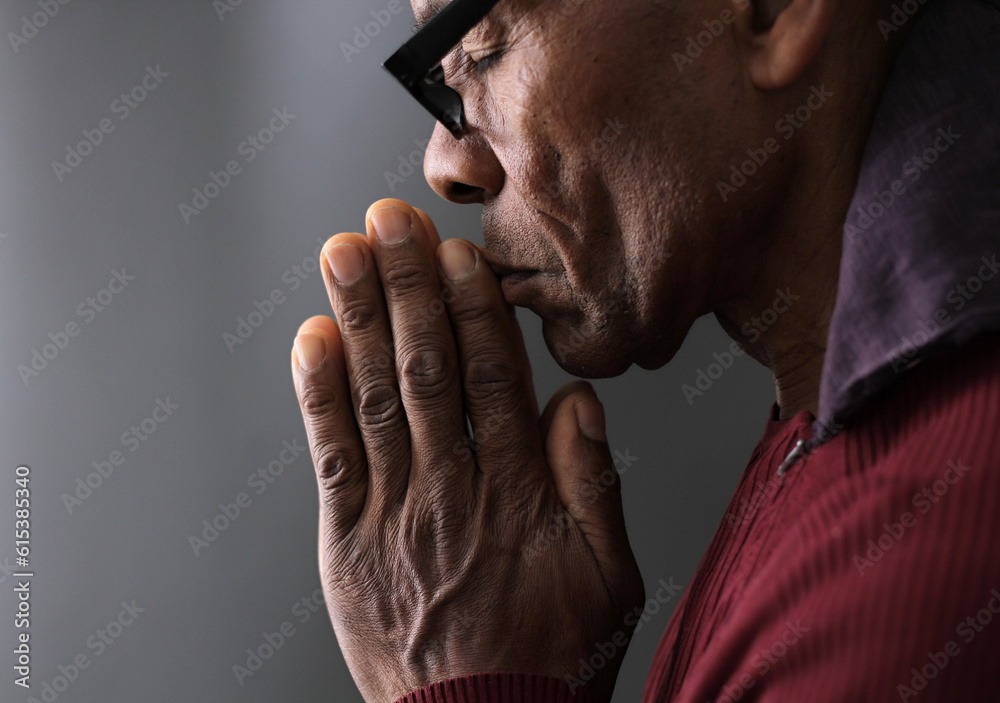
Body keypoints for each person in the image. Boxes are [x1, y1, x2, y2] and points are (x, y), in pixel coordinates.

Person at [290, 0, 1000, 700]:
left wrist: (473, 683)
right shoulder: (824, 439)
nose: (446, 165)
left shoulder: (909, 567)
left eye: (482, 48)